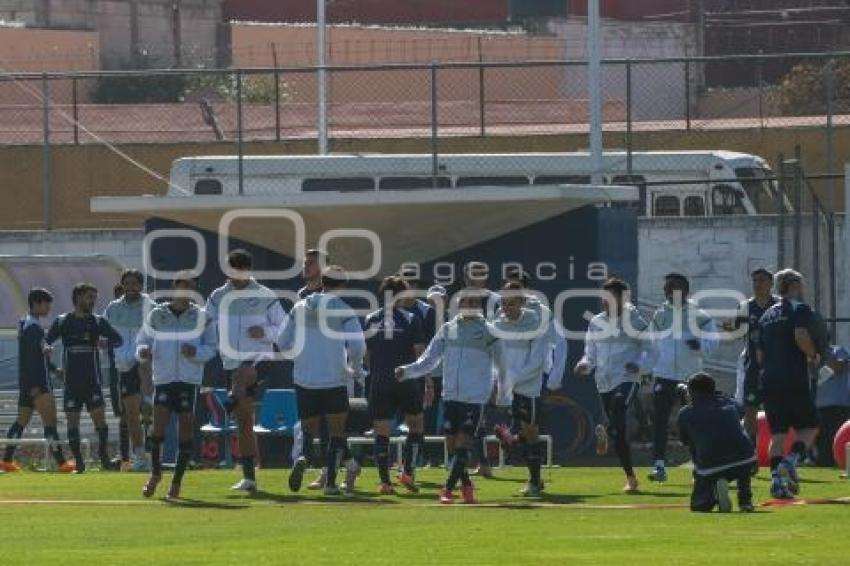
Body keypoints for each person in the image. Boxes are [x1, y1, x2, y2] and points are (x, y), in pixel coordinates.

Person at [395, 290, 501, 504]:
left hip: (474, 397)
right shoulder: (448, 328)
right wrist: (407, 371)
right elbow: (429, 359)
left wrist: (499, 390)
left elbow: (502, 365)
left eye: (473, 301)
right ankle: (467, 487)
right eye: (464, 301)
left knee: (463, 444)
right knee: (452, 447)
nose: (468, 305)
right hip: (451, 395)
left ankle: (447, 488)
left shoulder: (489, 331)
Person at [205, 249, 287, 493]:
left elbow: (283, 327)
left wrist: (265, 333)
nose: (237, 276)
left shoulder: (265, 295)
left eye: (241, 271)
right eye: (233, 271)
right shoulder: (218, 296)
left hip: (260, 358)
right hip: (231, 362)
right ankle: (249, 477)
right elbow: (205, 324)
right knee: (244, 420)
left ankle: (225, 405)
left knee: (243, 375)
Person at [280, 266, 366, 497]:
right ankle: (330, 484)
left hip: (304, 380)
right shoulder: (343, 309)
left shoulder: (299, 306)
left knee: (309, 431)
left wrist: (299, 358)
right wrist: (355, 369)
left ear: (322, 281)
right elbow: (358, 346)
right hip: (334, 379)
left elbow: (281, 341)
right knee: (337, 434)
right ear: (343, 286)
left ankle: (302, 457)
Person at [138, 275, 217, 500]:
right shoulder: (157, 314)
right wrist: (143, 351)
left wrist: (196, 354)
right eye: (182, 287)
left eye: (190, 288)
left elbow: (212, 348)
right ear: (174, 289)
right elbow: (142, 339)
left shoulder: (203, 317)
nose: (185, 292)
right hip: (163, 378)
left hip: (188, 380)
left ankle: (177, 482)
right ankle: (155, 474)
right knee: (158, 429)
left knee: (185, 428)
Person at [574, 277, 648, 493]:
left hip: (627, 378)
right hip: (604, 382)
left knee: (618, 405)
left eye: (611, 296)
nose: (605, 301)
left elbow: (651, 347)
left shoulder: (635, 320)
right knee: (619, 430)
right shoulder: (596, 322)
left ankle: (605, 426)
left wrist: (640, 365)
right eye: (603, 297)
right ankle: (631, 478)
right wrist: (584, 365)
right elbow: (590, 353)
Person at [646, 273, 719, 482]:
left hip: (691, 377)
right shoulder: (660, 315)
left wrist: (700, 346)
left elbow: (712, 342)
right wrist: (646, 369)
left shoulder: (699, 315)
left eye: (673, 288)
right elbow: (651, 345)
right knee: (660, 420)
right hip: (664, 375)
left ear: (686, 291)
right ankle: (659, 466)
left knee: (695, 421)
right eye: (666, 289)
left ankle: (700, 465)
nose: (669, 293)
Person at [45, 283, 123, 473]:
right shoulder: (63, 321)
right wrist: (53, 366)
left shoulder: (97, 321)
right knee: (73, 423)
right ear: (78, 297)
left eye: (94, 298)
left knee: (101, 423)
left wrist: (107, 342)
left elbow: (118, 339)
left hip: (93, 383)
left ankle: (104, 459)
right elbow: (44, 343)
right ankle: (79, 462)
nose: (93, 301)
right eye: (90, 297)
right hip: (71, 384)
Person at [757, 269, 821, 499]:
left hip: (769, 380)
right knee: (811, 426)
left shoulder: (766, 315)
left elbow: (759, 356)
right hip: (793, 378)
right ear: (794, 285)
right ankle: (791, 460)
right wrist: (813, 355)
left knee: (778, 435)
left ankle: (776, 483)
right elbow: (801, 334)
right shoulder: (799, 308)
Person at [363, 275, 428, 494]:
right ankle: (408, 472)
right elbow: (420, 355)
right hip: (406, 379)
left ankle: (385, 482)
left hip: (380, 380)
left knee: (381, 431)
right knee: (416, 425)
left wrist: (376, 374)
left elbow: (366, 357)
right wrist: (427, 382)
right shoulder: (411, 319)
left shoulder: (371, 319)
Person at [1, 289, 74, 473]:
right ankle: (62, 463)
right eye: (47, 303)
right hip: (38, 384)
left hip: (27, 383)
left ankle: (6, 461)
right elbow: (32, 359)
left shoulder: (26, 323)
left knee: (20, 422)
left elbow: (35, 355)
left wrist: (54, 369)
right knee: (50, 424)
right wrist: (36, 385)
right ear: (36, 303)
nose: (49, 308)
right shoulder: (33, 328)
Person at [492, 282, 548, 496]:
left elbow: (537, 362)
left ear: (523, 302)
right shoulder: (498, 324)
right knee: (524, 431)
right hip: (507, 388)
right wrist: (498, 379)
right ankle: (514, 442)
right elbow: (495, 355)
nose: (507, 308)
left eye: (512, 303)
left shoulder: (536, 323)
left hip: (528, 387)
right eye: (504, 303)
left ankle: (534, 481)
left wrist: (512, 379)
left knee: (530, 431)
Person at [677, 373, 756, 513]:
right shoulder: (728, 402)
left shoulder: (685, 413)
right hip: (745, 459)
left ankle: (714, 488)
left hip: (711, 466)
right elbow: (741, 411)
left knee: (699, 506)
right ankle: (745, 500)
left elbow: (685, 440)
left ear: (692, 392)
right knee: (742, 462)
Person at [725, 268, 778, 469]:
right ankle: (751, 457)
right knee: (750, 412)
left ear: (771, 283)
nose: (758, 284)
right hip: (753, 367)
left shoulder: (778, 305)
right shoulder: (746, 306)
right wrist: (730, 327)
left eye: (762, 280)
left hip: (776, 367)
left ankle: (776, 455)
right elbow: (736, 332)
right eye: (755, 280)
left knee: (776, 412)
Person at [104, 269, 154, 472]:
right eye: (128, 283)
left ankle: (153, 450)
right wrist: (103, 340)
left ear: (141, 286)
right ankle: (140, 456)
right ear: (122, 285)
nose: (131, 287)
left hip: (146, 362)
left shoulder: (151, 306)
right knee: (131, 413)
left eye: (135, 283)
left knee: (149, 412)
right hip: (124, 364)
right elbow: (105, 329)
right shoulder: (113, 308)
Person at [107, 283, 130, 468]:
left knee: (143, 414)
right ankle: (125, 457)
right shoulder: (111, 315)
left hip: (139, 370)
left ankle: (143, 453)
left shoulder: (143, 311)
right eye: (118, 294)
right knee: (123, 415)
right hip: (117, 372)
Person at [814, 346, 850, 467]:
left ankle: (840, 461)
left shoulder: (838, 350)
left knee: (838, 436)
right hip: (820, 405)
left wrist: (821, 367)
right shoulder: (811, 353)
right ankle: (824, 462)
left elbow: (841, 365)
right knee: (822, 439)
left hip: (840, 404)